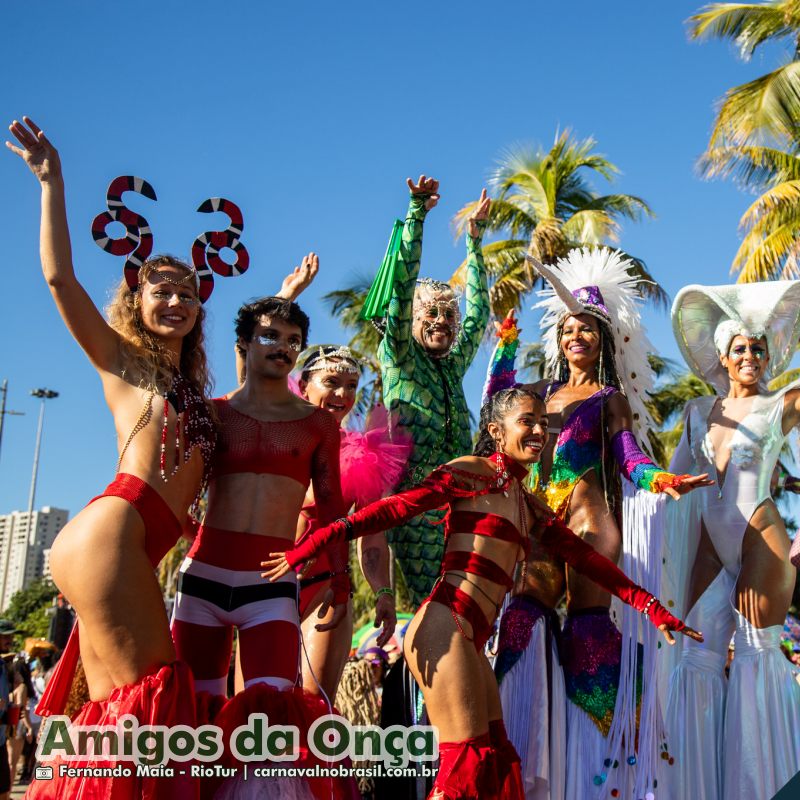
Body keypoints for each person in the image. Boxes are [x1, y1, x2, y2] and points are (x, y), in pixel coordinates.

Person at [263, 387, 700, 800]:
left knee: (497, 763)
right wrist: (317, 541)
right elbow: (397, 507)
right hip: (443, 626)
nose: (537, 432)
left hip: (468, 639)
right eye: (526, 421)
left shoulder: (526, 504)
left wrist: (651, 607)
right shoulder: (473, 471)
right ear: (497, 431)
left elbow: (587, 560)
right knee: (464, 765)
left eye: (543, 423)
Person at [8, 117, 215, 800]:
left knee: (111, 726)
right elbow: (61, 280)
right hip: (114, 530)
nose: (176, 300)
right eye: (161, 290)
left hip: (131, 545)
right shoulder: (125, 364)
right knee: (151, 714)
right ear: (136, 299)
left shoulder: (195, 391)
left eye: (187, 292)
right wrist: (51, 184)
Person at [487, 250, 711, 799]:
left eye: (585, 328)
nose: (575, 336)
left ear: (602, 339)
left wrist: (661, 480)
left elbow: (629, 455)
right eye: (567, 328)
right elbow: (497, 404)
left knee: (589, 637)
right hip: (539, 527)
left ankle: (605, 778)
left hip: (591, 524)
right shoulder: (536, 394)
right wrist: (508, 335)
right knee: (521, 624)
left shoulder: (610, 398)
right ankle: (520, 763)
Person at [170, 296, 355, 800]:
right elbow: (174, 493)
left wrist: (340, 581)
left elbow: (334, 508)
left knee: (271, 720)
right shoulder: (212, 414)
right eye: (270, 336)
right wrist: (185, 537)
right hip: (202, 580)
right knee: (197, 718)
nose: (283, 348)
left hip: (271, 587)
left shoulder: (318, 425)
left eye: (293, 340)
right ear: (244, 345)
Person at [665, 280, 800, 800]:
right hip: (707, 545)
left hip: (759, 540)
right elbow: (673, 479)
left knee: (753, 659)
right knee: (695, 660)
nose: (750, 355)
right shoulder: (700, 412)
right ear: (722, 357)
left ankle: (763, 789)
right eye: (740, 348)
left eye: (758, 348)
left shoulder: (781, 405)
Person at [374, 176, 491, 607]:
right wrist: (416, 214)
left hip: (460, 506)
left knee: (467, 613)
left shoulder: (452, 366)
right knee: (436, 612)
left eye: (448, 315)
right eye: (432, 313)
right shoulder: (401, 356)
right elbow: (402, 289)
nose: (442, 321)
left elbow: (478, 316)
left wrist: (475, 245)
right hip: (417, 511)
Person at [293, 345, 402, 699]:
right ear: (305, 384)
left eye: (352, 385)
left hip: (326, 589)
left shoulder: (363, 454)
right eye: (332, 382)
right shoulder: (274, 435)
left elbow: (371, 538)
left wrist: (383, 591)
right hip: (264, 587)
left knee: (310, 707)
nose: (342, 394)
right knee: (255, 708)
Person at [7, 659, 34, 787]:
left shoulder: (8, 688)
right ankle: (8, 792)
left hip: (8, 724)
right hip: (16, 726)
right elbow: (21, 711)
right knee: (12, 762)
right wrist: (29, 728)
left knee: (9, 760)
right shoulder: (22, 688)